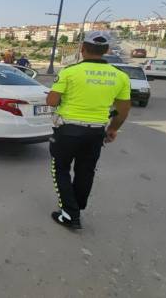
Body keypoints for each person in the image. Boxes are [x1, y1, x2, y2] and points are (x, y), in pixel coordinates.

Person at [45, 31, 131, 230]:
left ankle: (69, 214)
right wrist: (113, 129)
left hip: (68, 131)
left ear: (82, 49)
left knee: (60, 169)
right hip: (96, 133)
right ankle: (76, 206)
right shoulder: (121, 76)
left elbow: (51, 101)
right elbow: (123, 109)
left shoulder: (70, 72)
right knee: (86, 171)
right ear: (107, 50)